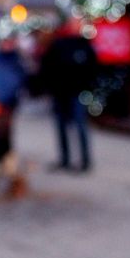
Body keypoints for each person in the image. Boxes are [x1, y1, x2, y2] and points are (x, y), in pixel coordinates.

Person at [39, 24, 97, 172]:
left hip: (77, 93)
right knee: (61, 127)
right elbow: (47, 66)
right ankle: (65, 159)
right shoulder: (58, 44)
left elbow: (93, 67)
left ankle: (85, 161)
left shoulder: (84, 45)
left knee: (80, 126)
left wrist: (87, 86)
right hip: (60, 93)